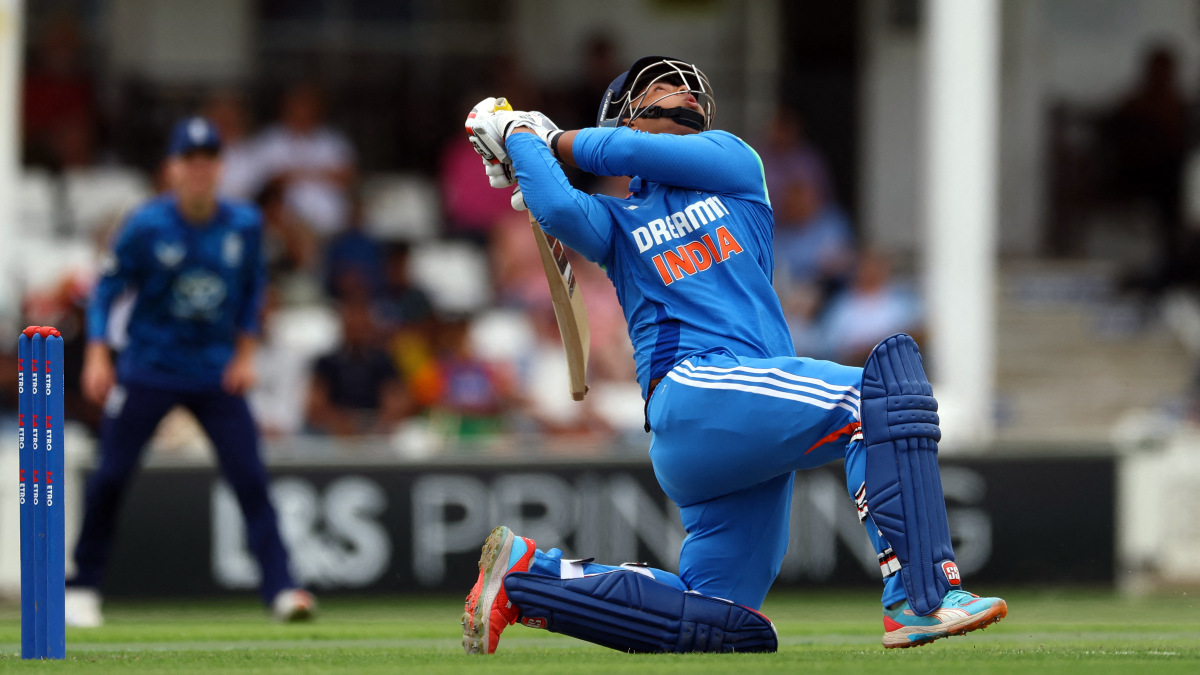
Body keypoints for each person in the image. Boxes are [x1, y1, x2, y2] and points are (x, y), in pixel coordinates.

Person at [460, 56, 1007, 654]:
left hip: (739, 424)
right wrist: (517, 137)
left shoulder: (735, 167)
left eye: (691, 89)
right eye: (659, 88)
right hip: (691, 391)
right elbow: (560, 210)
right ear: (620, 117)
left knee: (723, 622)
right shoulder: (617, 221)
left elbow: (630, 156)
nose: (684, 94)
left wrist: (545, 141)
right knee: (876, 395)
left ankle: (527, 579)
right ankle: (922, 599)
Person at [71, 117, 315, 626]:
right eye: (190, 161)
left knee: (250, 478)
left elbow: (253, 293)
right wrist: (98, 354)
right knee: (111, 476)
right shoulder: (145, 224)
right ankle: (83, 586)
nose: (200, 171)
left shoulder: (244, 224)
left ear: (221, 168)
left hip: (213, 371)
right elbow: (106, 290)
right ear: (173, 169)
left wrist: (245, 355)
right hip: (149, 365)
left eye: (209, 161)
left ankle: (282, 588)